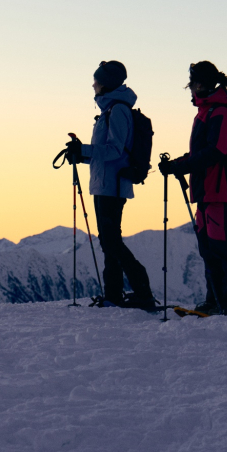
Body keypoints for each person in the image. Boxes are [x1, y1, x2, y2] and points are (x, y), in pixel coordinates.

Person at [159, 61, 227, 315]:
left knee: (223, 247)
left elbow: (217, 151)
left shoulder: (219, 112)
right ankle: (216, 299)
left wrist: (182, 166)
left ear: (200, 84)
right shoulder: (206, 112)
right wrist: (179, 164)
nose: (190, 89)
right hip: (205, 191)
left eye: (191, 84)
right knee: (208, 248)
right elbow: (201, 153)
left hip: (220, 191)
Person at [65, 61, 154, 310]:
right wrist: (81, 154)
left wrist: (83, 150)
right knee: (108, 241)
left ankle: (142, 291)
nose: (93, 85)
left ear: (105, 83)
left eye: (97, 80)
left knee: (111, 242)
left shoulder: (118, 111)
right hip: (104, 184)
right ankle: (113, 295)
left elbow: (116, 150)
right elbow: (106, 152)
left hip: (112, 186)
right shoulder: (110, 110)